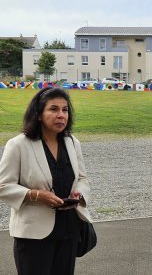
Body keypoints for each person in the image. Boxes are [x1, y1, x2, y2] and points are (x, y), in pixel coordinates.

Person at [0, 87, 92, 275]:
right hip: (33, 235)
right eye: (53, 109)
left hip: (69, 230)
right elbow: (3, 186)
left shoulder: (72, 142)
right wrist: (35, 195)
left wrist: (79, 193)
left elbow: (82, 178)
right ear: (39, 114)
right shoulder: (18, 145)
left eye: (65, 110)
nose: (61, 115)